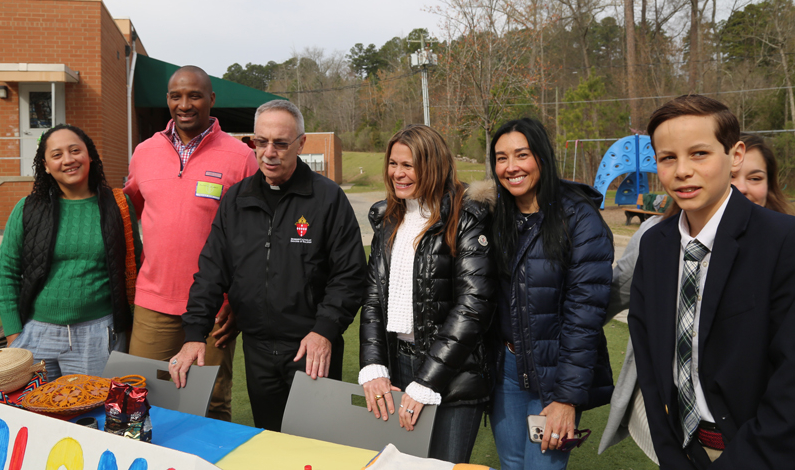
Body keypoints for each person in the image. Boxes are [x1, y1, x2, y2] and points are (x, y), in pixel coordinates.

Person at [170, 99, 367, 432]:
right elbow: (212, 269)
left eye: (280, 143)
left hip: (310, 348)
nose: (268, 152)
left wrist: (324, 331)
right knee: (270, 443)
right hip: (258, 349)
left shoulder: (328, 199)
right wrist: (194, 333)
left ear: (301, 143)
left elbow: (349, 275)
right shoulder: (236, 199)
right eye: (260, 142)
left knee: (315, 448)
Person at [599, 132, 791, 461]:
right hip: (682, 436)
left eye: (755, 177)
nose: (740, 187)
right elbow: (624, 303)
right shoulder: (658, 240)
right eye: (732, 178)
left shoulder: (783, 246)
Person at [124, 66, 258, 422]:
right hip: (154, 302)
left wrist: (235, 298)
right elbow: (132, 213)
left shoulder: (241, 157)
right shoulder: (144, 153)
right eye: (176, 96)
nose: (184, 104)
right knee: (139, 394)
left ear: (211, 100)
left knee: (211, 403)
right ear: (167, 100)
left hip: (216, 307)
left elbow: (255, 237)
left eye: (194, 95)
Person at [358, 125, 495, 464]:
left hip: (453, 376)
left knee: (442, 465)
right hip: (399, 364)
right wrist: (374, 364)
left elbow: (473, 307)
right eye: (393, 163)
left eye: (409, 165)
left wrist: (427, 381)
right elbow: (374, 297)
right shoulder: (388, 218)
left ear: (433, 166)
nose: (398, 174)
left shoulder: (466, 217)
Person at [487, 118, 614, 469]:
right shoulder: (497, 216)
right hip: (507, 369)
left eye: (521, 155)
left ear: (541, 157)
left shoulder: (579, 218)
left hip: (553, 373)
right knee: (511, 463)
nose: (510, 167)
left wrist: (567, 399)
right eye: (500, 158)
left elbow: (585, 316)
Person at [0, 124, 141, 379]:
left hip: (97, 336)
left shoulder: (118, 205)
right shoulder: (28, 209)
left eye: (75, 150)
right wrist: (14, 335)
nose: (68, 160)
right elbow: (6, 273)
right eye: (57, 154)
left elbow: (135, 266)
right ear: (46, 165)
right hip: (36, 335)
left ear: (90, 155)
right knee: (37, 414)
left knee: (91, 416)